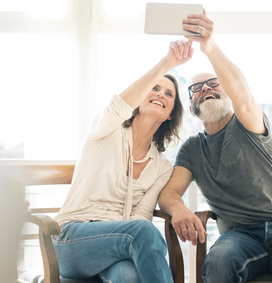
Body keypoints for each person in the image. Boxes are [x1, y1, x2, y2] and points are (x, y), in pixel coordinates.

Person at [158, 11, 272, 283]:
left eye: (214, 84)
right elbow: (169, 192)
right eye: (197, 89)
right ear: (191, 108)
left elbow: (245, 99)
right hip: (239, 236)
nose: (206, 90)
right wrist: (178, 209)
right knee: (218, 265)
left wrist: (209, 48)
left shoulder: (247, 122)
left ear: (226, 91)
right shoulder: (192, 148)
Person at [52, 40, 193, 283]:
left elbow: (141, 215)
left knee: (128, 276)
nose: (161, 93)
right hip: (71, 239)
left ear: (170, 114)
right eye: (155, 88)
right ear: (139, 99)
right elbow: (119, 106)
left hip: (118, 246)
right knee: (143, 233)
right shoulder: (106, 130)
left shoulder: (162, 167)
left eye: (169, 94)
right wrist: (167, 63)